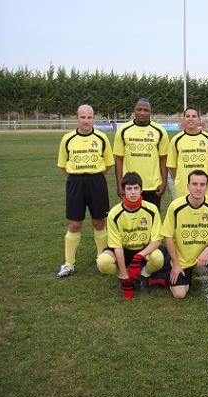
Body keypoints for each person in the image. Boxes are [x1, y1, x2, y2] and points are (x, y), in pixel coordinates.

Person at [56, 104, 114, 278]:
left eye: (89, 117)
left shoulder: (102, 137)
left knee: (99, 222)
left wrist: (92, 175)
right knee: (74, 224)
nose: (86, 120)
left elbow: (108, 163)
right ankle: (69, 264)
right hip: (75, 182)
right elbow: (63, 165)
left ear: (93, 118)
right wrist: (79, 175)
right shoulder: (67, 138)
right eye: (83, 117)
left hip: (97, 182)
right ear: (77, 118)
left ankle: (101, 258)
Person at [161, 170, 208, 299]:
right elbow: (167, 236)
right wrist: (176, 263)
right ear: (188, 186)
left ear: (207, 187)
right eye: (194, 184)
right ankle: (170, 268)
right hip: (183, 259)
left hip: (205, 254)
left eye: (202, 184)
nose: (198, 188)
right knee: (179, 294)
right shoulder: (176, 207)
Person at [96, 172, 165, 299]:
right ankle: (124, 275)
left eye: (136, 188)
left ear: (141, 190)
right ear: (123, 191)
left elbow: (156, 241)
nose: (133, 192)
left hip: (143, 250)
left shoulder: (152, 209)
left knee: (158, 258)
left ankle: (143, 276)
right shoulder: (114, 213)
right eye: (129, 188)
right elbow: (117, 247)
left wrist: (139, 256)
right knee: (102, 262)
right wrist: (125, 277)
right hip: (123, 250)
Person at [113, 98, 169, 209]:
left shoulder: (160, 131)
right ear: (134, 111)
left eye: (145, 110)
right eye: (139, 109)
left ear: (150, 112)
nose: (142, 113)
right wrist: (119, 184)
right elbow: (119, 159)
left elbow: (163, 159)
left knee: (151, 221)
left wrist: (164, 182)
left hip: (153, 186)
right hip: (130, 185)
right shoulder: (123, 130)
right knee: (131, 222)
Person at [166, 107, 208, 197]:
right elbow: (172, 166)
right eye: (188, 116)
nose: (190, 119)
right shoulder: (176, 140)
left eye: (194, 116)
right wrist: (181, 179)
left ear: (199, 119)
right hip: (183, 189)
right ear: (184, 119)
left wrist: (204, 179)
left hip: (204, 189)